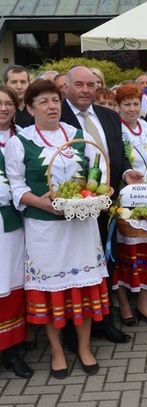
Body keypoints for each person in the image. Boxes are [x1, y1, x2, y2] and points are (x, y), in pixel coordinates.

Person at [6, 79, 110, 378]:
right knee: (53, 290)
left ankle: (85, 347)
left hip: (80, 228)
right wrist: (41, 203)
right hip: (45, 231)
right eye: (43, 102)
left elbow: (96, 174)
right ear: (29, 108)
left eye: (55, 100)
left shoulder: (77, 136)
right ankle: (55, 351)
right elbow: (17, 188)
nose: (52, 106)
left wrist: (94, 195)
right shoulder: (20, 142)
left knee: (84, 286)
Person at [61, 66, 144, 345]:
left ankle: (103, 322)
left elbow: (119, 155)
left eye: (90, 85)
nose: (85, 90)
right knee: (77, 268)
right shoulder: (57, 116)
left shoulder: (109, 116)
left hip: (108, 204)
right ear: (67, 87)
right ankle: (73, 331)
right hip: (73, 208)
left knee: (107, 263)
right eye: (79, 85)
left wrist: (125, 174)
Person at [113, 83, 147, 327]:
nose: (132, 109)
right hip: (125, 201)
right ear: (118, 106)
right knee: (126, 255)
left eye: (136, 104)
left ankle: (144, 305)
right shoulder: (115, 130)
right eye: (127, 104)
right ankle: (124, 305)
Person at [0, 85, 32, 379]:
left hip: (15, 223)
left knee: (12, 280)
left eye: (8, 103)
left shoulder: (23, 137)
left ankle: (12, 347)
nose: (4, 108)